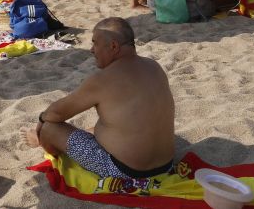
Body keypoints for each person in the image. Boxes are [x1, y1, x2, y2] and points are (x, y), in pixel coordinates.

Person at [20, 17, 175, 179]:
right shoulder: (153, 66)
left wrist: (40, 123)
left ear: (114, 46)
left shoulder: (104, 79)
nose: (92, 50)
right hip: (166, 165)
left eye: (95, 43)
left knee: (49, 128)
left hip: (126, 171)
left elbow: (56, 114)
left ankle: (39, 140)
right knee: (109, 123)